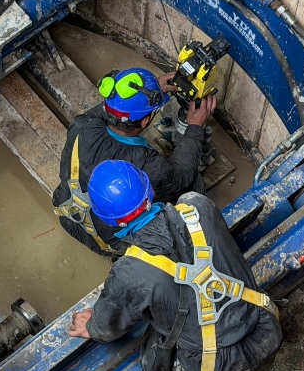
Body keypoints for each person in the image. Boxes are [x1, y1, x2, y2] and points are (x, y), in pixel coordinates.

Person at [67, 160, 281, 371]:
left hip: (216, 363)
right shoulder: (197, 206)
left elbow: (108, 327)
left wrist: (93, 326)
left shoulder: (129, 272)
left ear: (109, 221)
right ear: (149, 191)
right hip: (265, 328)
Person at [52, 67, 217, 257]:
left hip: (68, 216)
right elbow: (181, 177)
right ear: (145, 121)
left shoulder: (82, 125)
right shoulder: (148, 165)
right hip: (109, 244)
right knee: (194, 183)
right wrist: (195, 127)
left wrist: (153, 91)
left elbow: (105, 109)